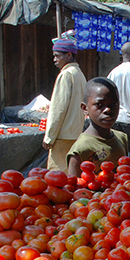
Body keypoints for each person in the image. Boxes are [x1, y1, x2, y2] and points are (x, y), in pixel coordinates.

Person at [66, 78, 130, 177]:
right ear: (85, 108)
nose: (108, 110)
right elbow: (74, 189)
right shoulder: (80, 150)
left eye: (114, 104)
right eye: (99, 104)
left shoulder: (121, 137)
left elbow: (125, 175)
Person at [43, 36, 87, 173]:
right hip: (75, 133)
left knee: (58, 176)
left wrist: (50, 136)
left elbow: (58, 109)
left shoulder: (66, 75)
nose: (54, 59)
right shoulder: (79, 74)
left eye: (57, 56)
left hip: (62, 135)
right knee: (71, 173)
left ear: (68, 55)